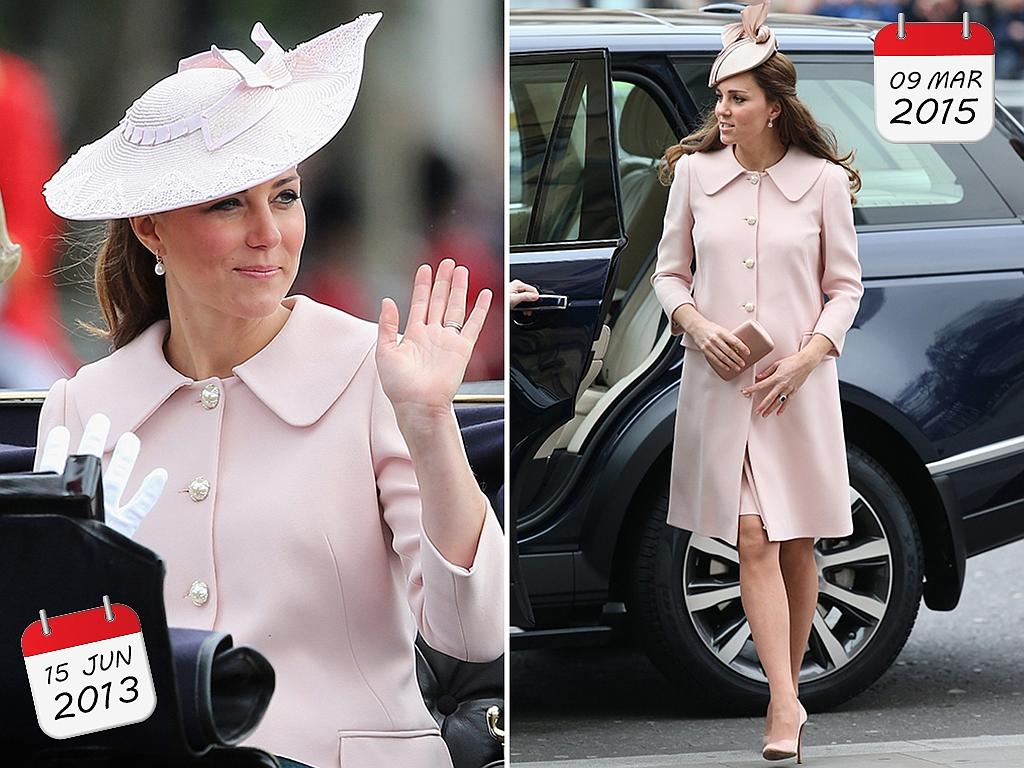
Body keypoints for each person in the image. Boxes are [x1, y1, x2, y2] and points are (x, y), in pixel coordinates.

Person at [33, 15, 504, 768]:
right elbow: (72, 698)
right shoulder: (83, 410)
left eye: (284, 197)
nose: (269, 233)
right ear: (151, 228)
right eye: (227, 203)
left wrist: (428, 423)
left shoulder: (375, 374)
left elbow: (472, 632)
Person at [650, 0, 864, 762]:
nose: (723, 110)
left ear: (774, 106)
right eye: (720, 98)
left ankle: (790, 692)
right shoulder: (694, 176)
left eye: (737, 98)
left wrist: (810, 356)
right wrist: (697, 326)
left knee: (798, 541)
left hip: (795, 389)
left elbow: (845, 287)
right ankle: (783, 702)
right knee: (750, 536)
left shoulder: (823, 183)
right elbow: (668, 275)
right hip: (718, 385)